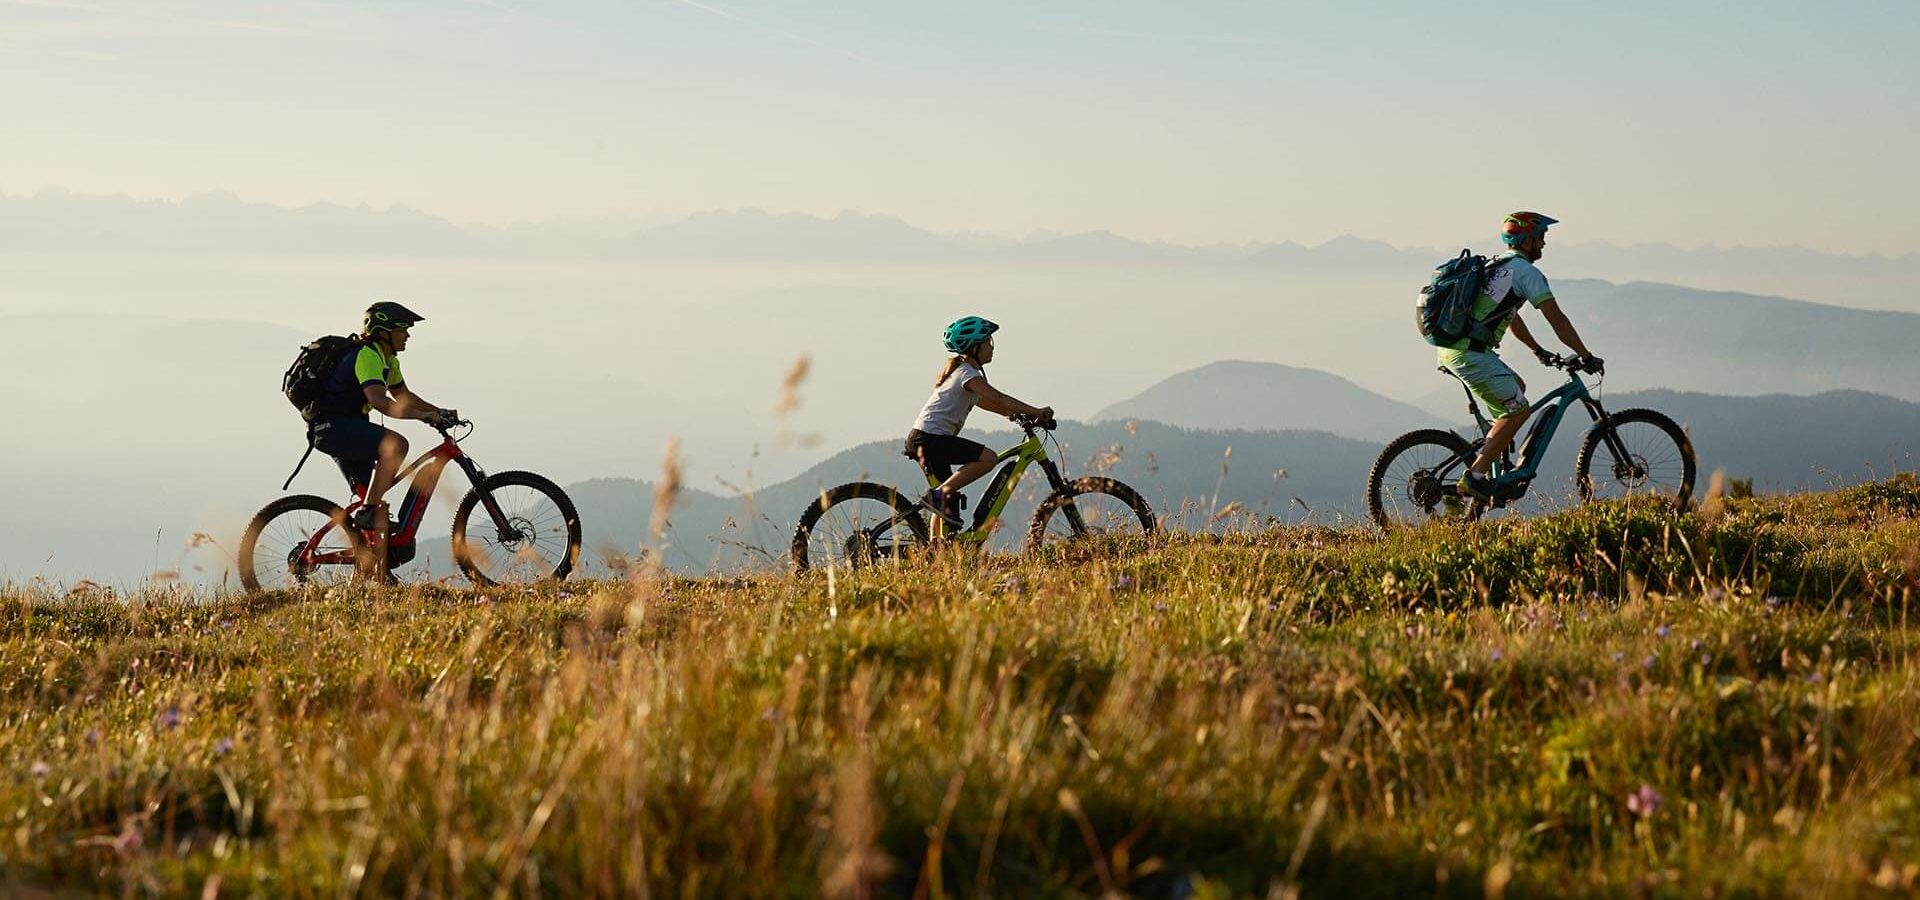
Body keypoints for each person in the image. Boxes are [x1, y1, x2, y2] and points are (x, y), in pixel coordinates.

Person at [1439, 212, 1603, 500]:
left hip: (1456, 349)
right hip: (1471, 355)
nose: (1543, 244)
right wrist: (1585, 355)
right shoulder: (1526, 273)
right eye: (1540, 237)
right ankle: (1475, 477)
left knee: (1518, 388)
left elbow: (1510, 317)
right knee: (1519, 410)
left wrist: (1537, 350)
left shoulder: (1497, 266)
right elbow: (1557, 319)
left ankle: (1487, 457)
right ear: (1527, 240)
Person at [308, 301, 458, 533]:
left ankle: (372, 558)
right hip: (333, 428)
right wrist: (423, 416)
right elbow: (379, 401)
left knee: (375, 495)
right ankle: (368, 513)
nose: (407, 335)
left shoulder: (389, 360)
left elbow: (403, 396)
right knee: (396, 446)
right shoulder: (367, 356)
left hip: (348, 427)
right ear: (384, 332)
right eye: (402, 330)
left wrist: (438, 412)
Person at [906, 316, 1053, 529]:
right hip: (929, 440)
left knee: (948, 508)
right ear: (974, 347)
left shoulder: (965, 373)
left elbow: (987, 403)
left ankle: (936, 551)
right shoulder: (967, 374)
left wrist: (1014, 415)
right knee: (988, 459)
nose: (992, 347)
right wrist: (1035, 411)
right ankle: (937, 496)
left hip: (926, 439)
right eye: (988, 343)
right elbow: (998, 397)